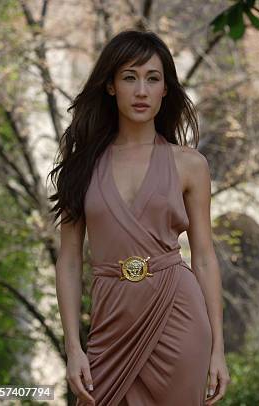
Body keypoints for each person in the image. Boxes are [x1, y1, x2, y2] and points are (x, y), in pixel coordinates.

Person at [48, 29, 230, 405]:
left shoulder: (190, 165)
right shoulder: (81, 167)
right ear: (111, 86)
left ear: (166, 89)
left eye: (153, 78)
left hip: (178, 317)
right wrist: (73, 347)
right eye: (130, 77)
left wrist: (217, 349)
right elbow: (68, 262)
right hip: (110, 321)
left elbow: (206, 257)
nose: (142, 90)